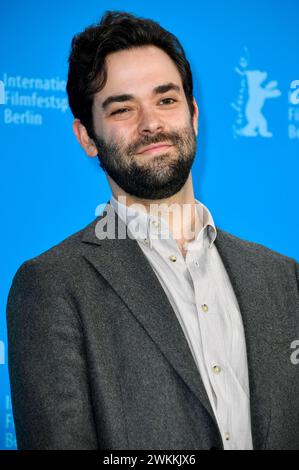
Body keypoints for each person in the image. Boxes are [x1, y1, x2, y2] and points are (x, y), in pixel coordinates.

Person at [6, 10, 299, 450]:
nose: (151, 124)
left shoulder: (283, 279)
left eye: (166, 100)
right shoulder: (52, 286)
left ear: (194, 114)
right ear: (87, 136)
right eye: (123, 108)